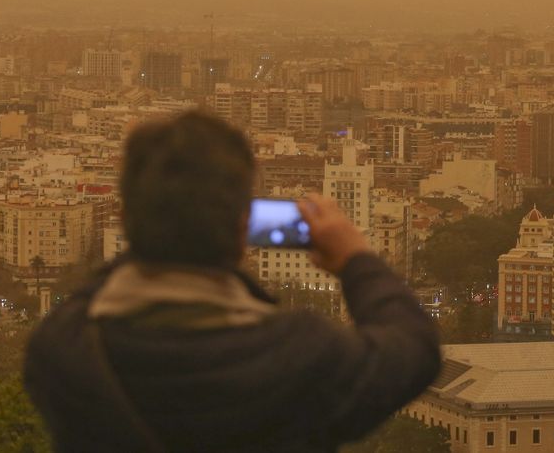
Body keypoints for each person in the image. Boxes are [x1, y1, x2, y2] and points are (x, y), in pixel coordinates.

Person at [25, 111, 442, 452]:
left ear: (124, 219)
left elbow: (90, 297)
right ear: (244, 227)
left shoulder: (64, 349)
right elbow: (415, 346)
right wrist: (355, 258)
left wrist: (148, 228)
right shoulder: (302, 355)